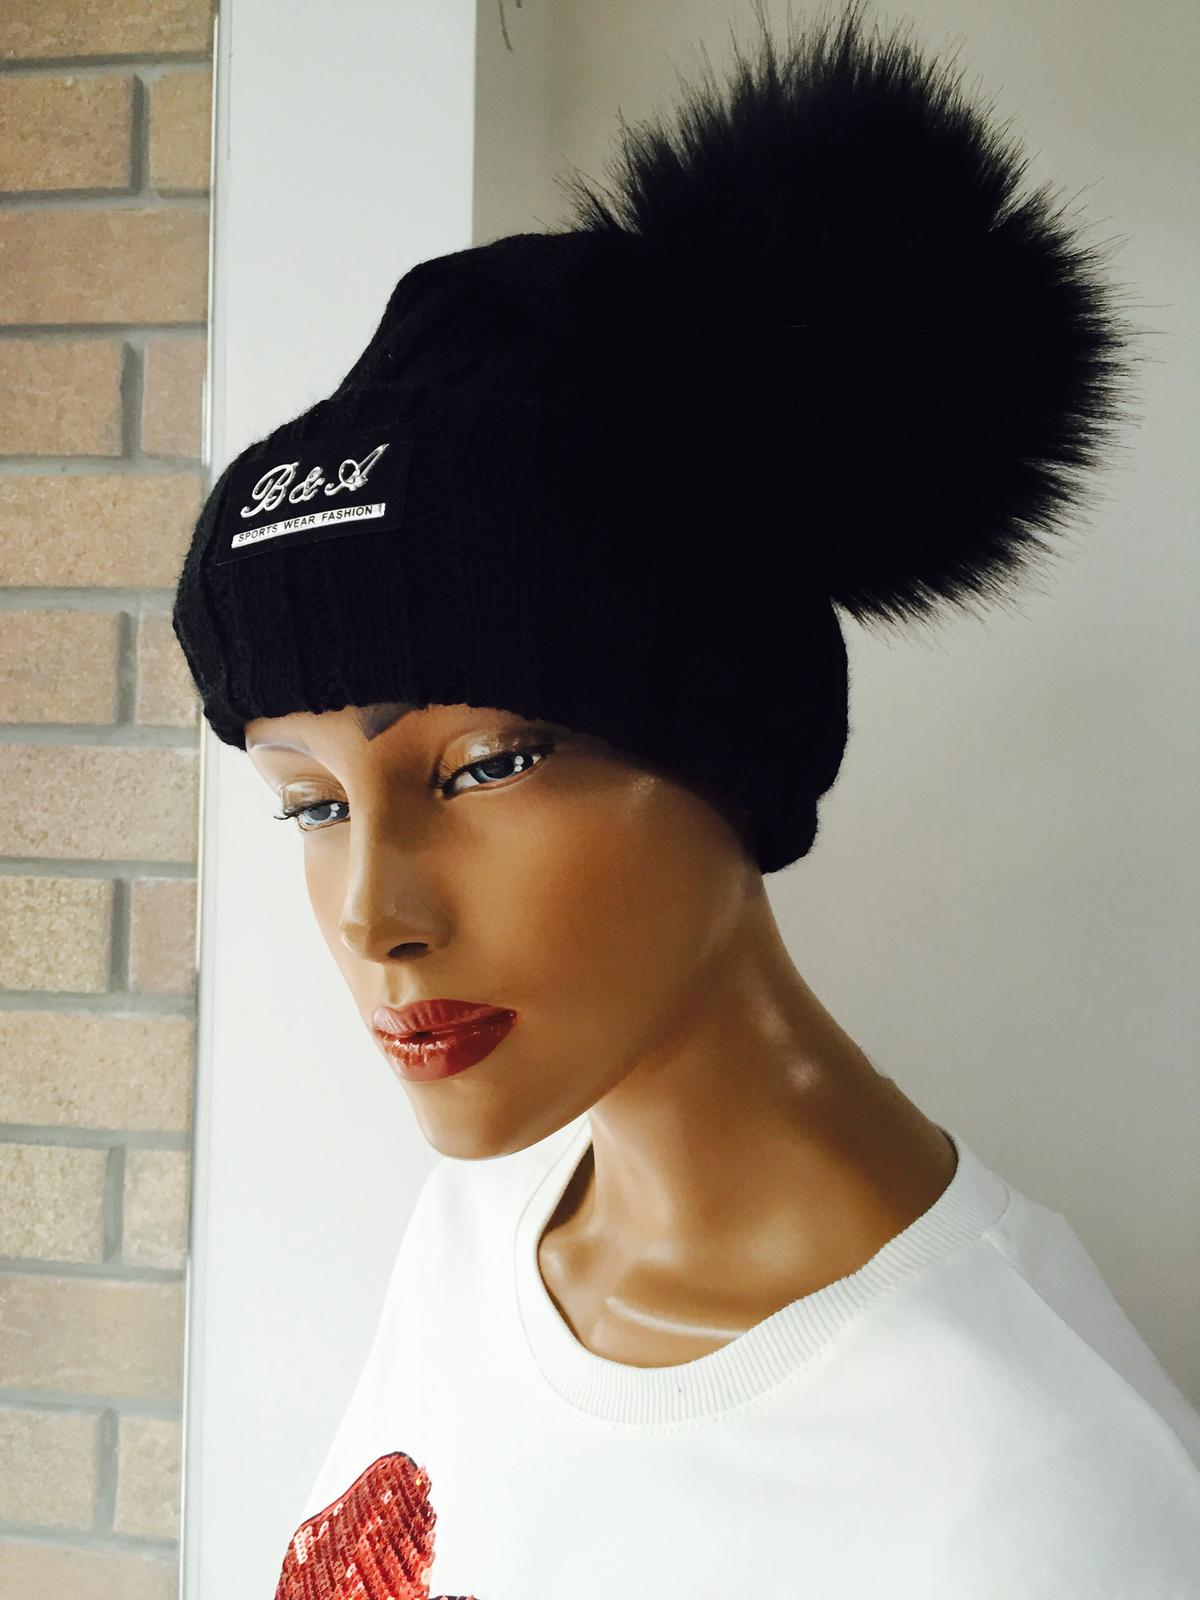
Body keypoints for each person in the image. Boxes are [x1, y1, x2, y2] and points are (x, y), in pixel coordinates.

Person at [172, 4, 1199, 1595]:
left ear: (729, 743)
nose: (375, 915)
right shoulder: (483, 1235)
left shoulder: (1026, 1505)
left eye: (484, 767)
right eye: (310, 805)